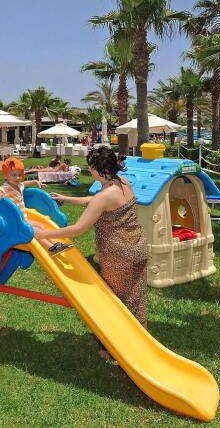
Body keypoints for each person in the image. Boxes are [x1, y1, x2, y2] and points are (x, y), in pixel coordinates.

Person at [37, 147, 149, 359]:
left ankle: (117, 350)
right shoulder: (123, 183)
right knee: (136, 298)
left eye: (91, 167)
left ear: (100, 169)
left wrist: (44, 234)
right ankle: (145, 347)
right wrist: (67, 198)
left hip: (119, 255)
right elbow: (96, 201)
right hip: (138, 248)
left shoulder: (104, 196)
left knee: (116, 302)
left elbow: (78, 229)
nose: (89, 170)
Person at [0, 157, 72, 256]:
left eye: (19, 175)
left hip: (23, 219)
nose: (17, 178)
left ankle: (56, 243)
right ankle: (51, 248)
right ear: (5, 175)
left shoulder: (19, 186)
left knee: (41, 226)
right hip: (14, 223)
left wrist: (35, 182)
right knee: (34, 231)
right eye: (13, 175)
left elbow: (25, 184)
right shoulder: (4, 189)